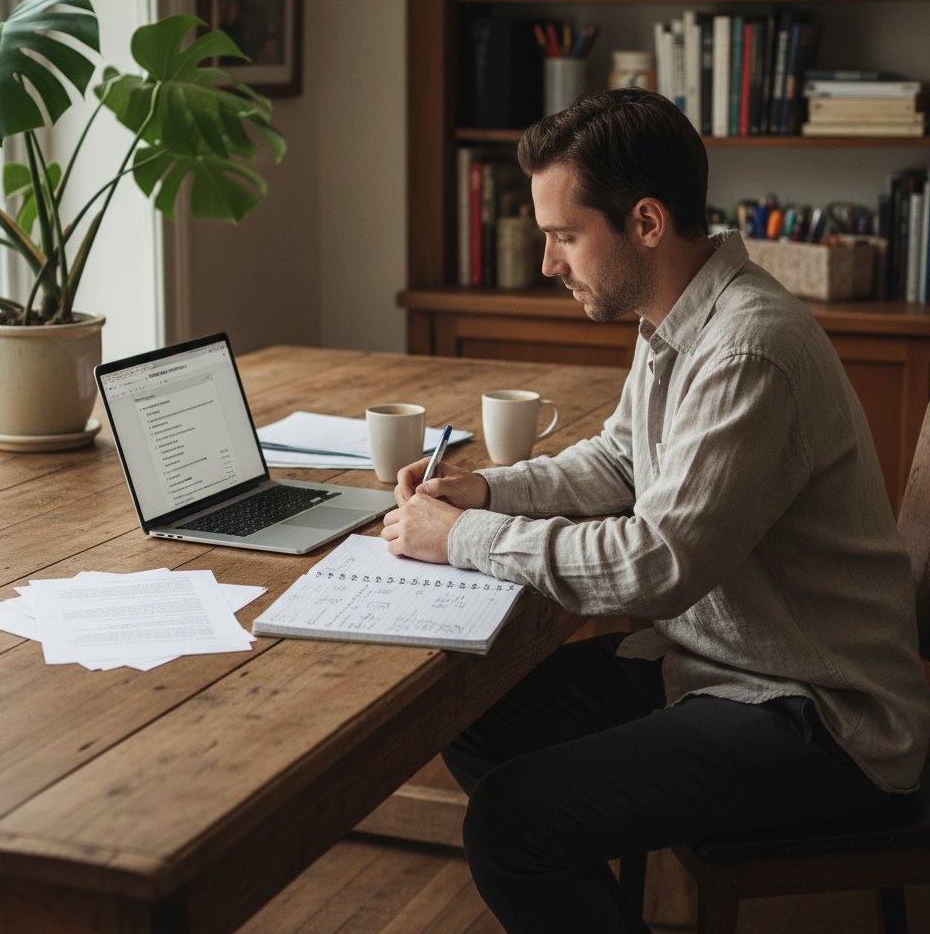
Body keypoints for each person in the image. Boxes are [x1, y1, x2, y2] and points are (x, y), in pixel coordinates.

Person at [379, 88, 930, 934]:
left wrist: (465, 536)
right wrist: (486, 488)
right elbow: (621, 459)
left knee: (510, 827)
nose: (548, 263)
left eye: (564, 236)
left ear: (644, 222)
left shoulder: (749, 349)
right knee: (478, 722)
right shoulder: (674, 317)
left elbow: (659, 564)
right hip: (717, 664)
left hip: (819, 711)